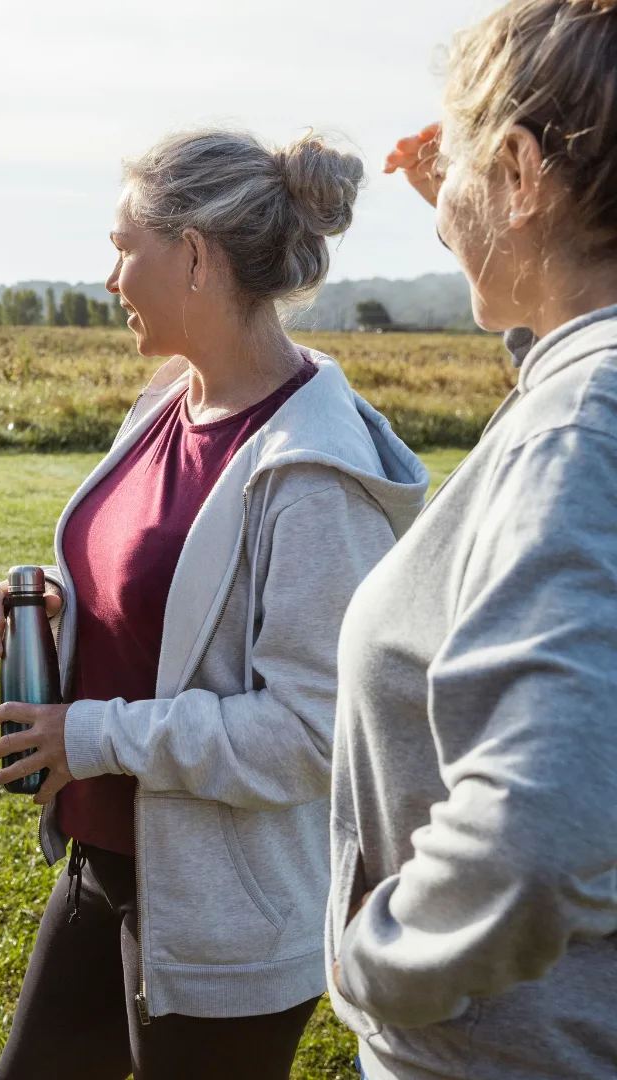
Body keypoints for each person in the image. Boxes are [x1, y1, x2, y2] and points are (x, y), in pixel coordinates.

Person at [0, 130, 429, 1079]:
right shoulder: (170, 399)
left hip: (226, 915)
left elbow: (311, 734)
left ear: (191, 255)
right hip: (106, 863)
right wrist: (66, 606)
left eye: (124, 245)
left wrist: (90, 736)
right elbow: (170, 593)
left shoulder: (315, 475)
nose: (109, 276)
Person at [331, 2, 617, 1076]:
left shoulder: (582, 432)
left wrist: (378, 963)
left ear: (520, 171)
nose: (443, 204)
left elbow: (537, 837)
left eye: (456, 167)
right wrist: (471, 220)